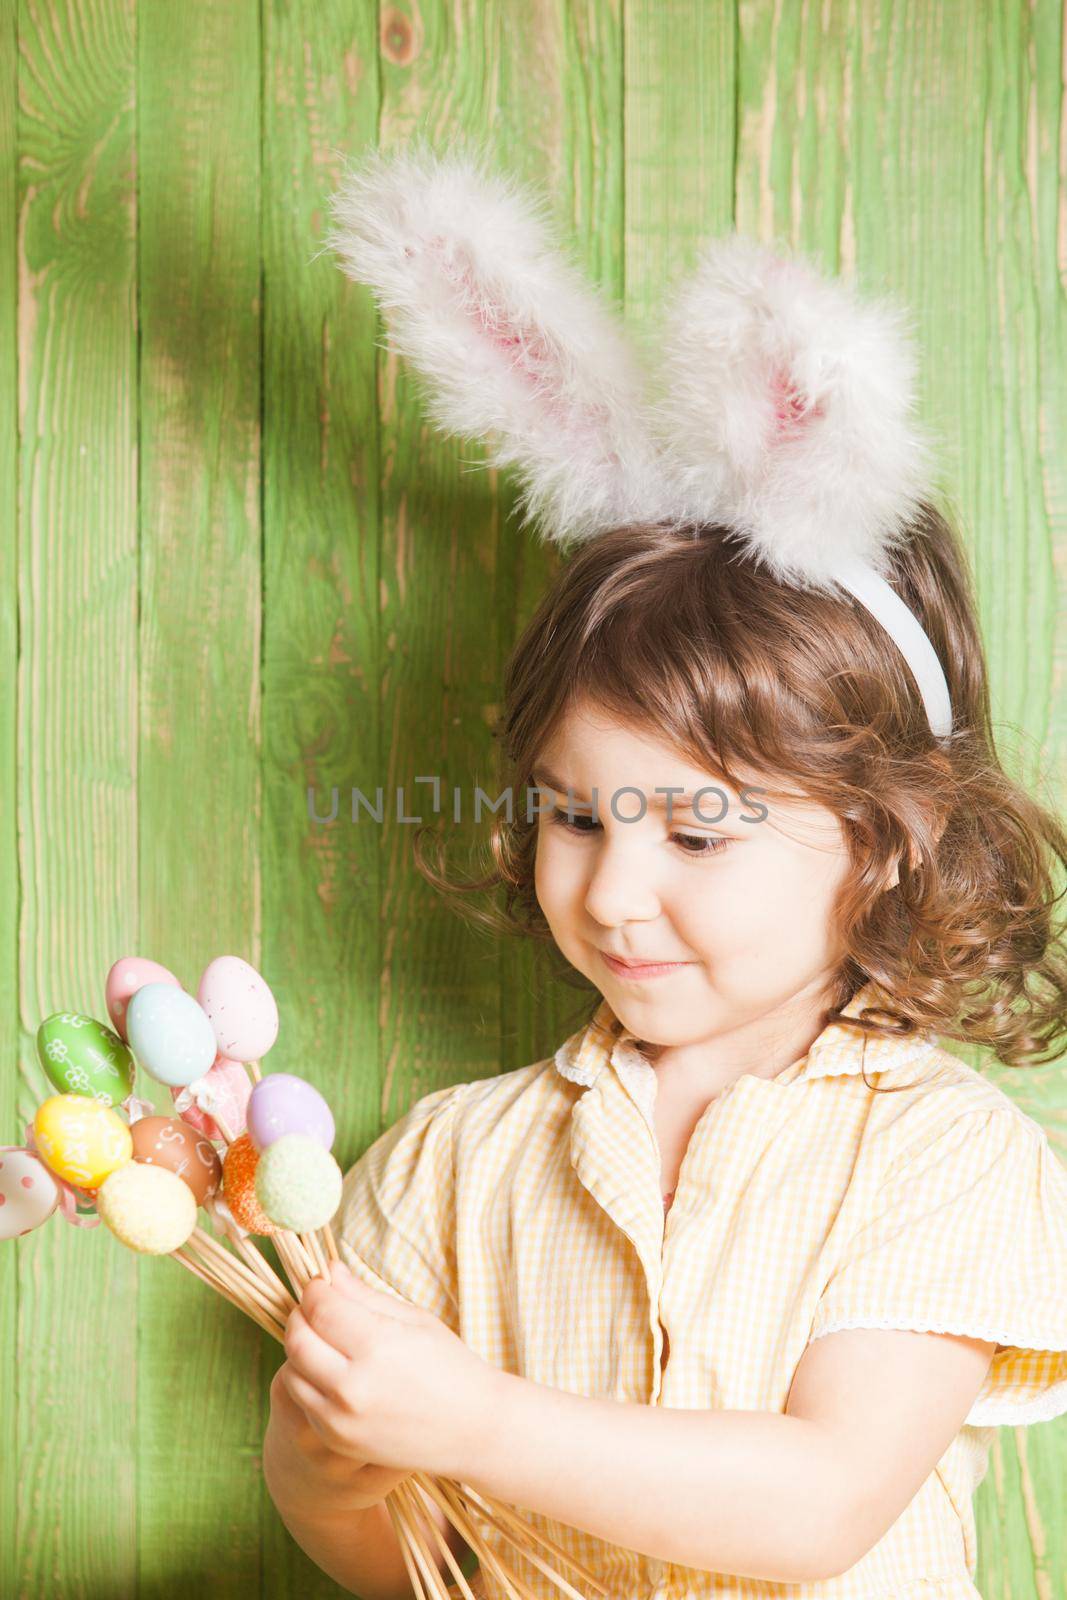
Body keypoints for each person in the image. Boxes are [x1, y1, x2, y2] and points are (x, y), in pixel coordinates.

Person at [262, 145, 1067, 1600]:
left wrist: (482, 1421)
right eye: (576, 817)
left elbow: (821, 1501)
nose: (616, 890)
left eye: (696, 832)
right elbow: (418, 1567)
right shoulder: (449, 1169)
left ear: (888, 841)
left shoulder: (944, 1160)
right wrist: (329, 1473)